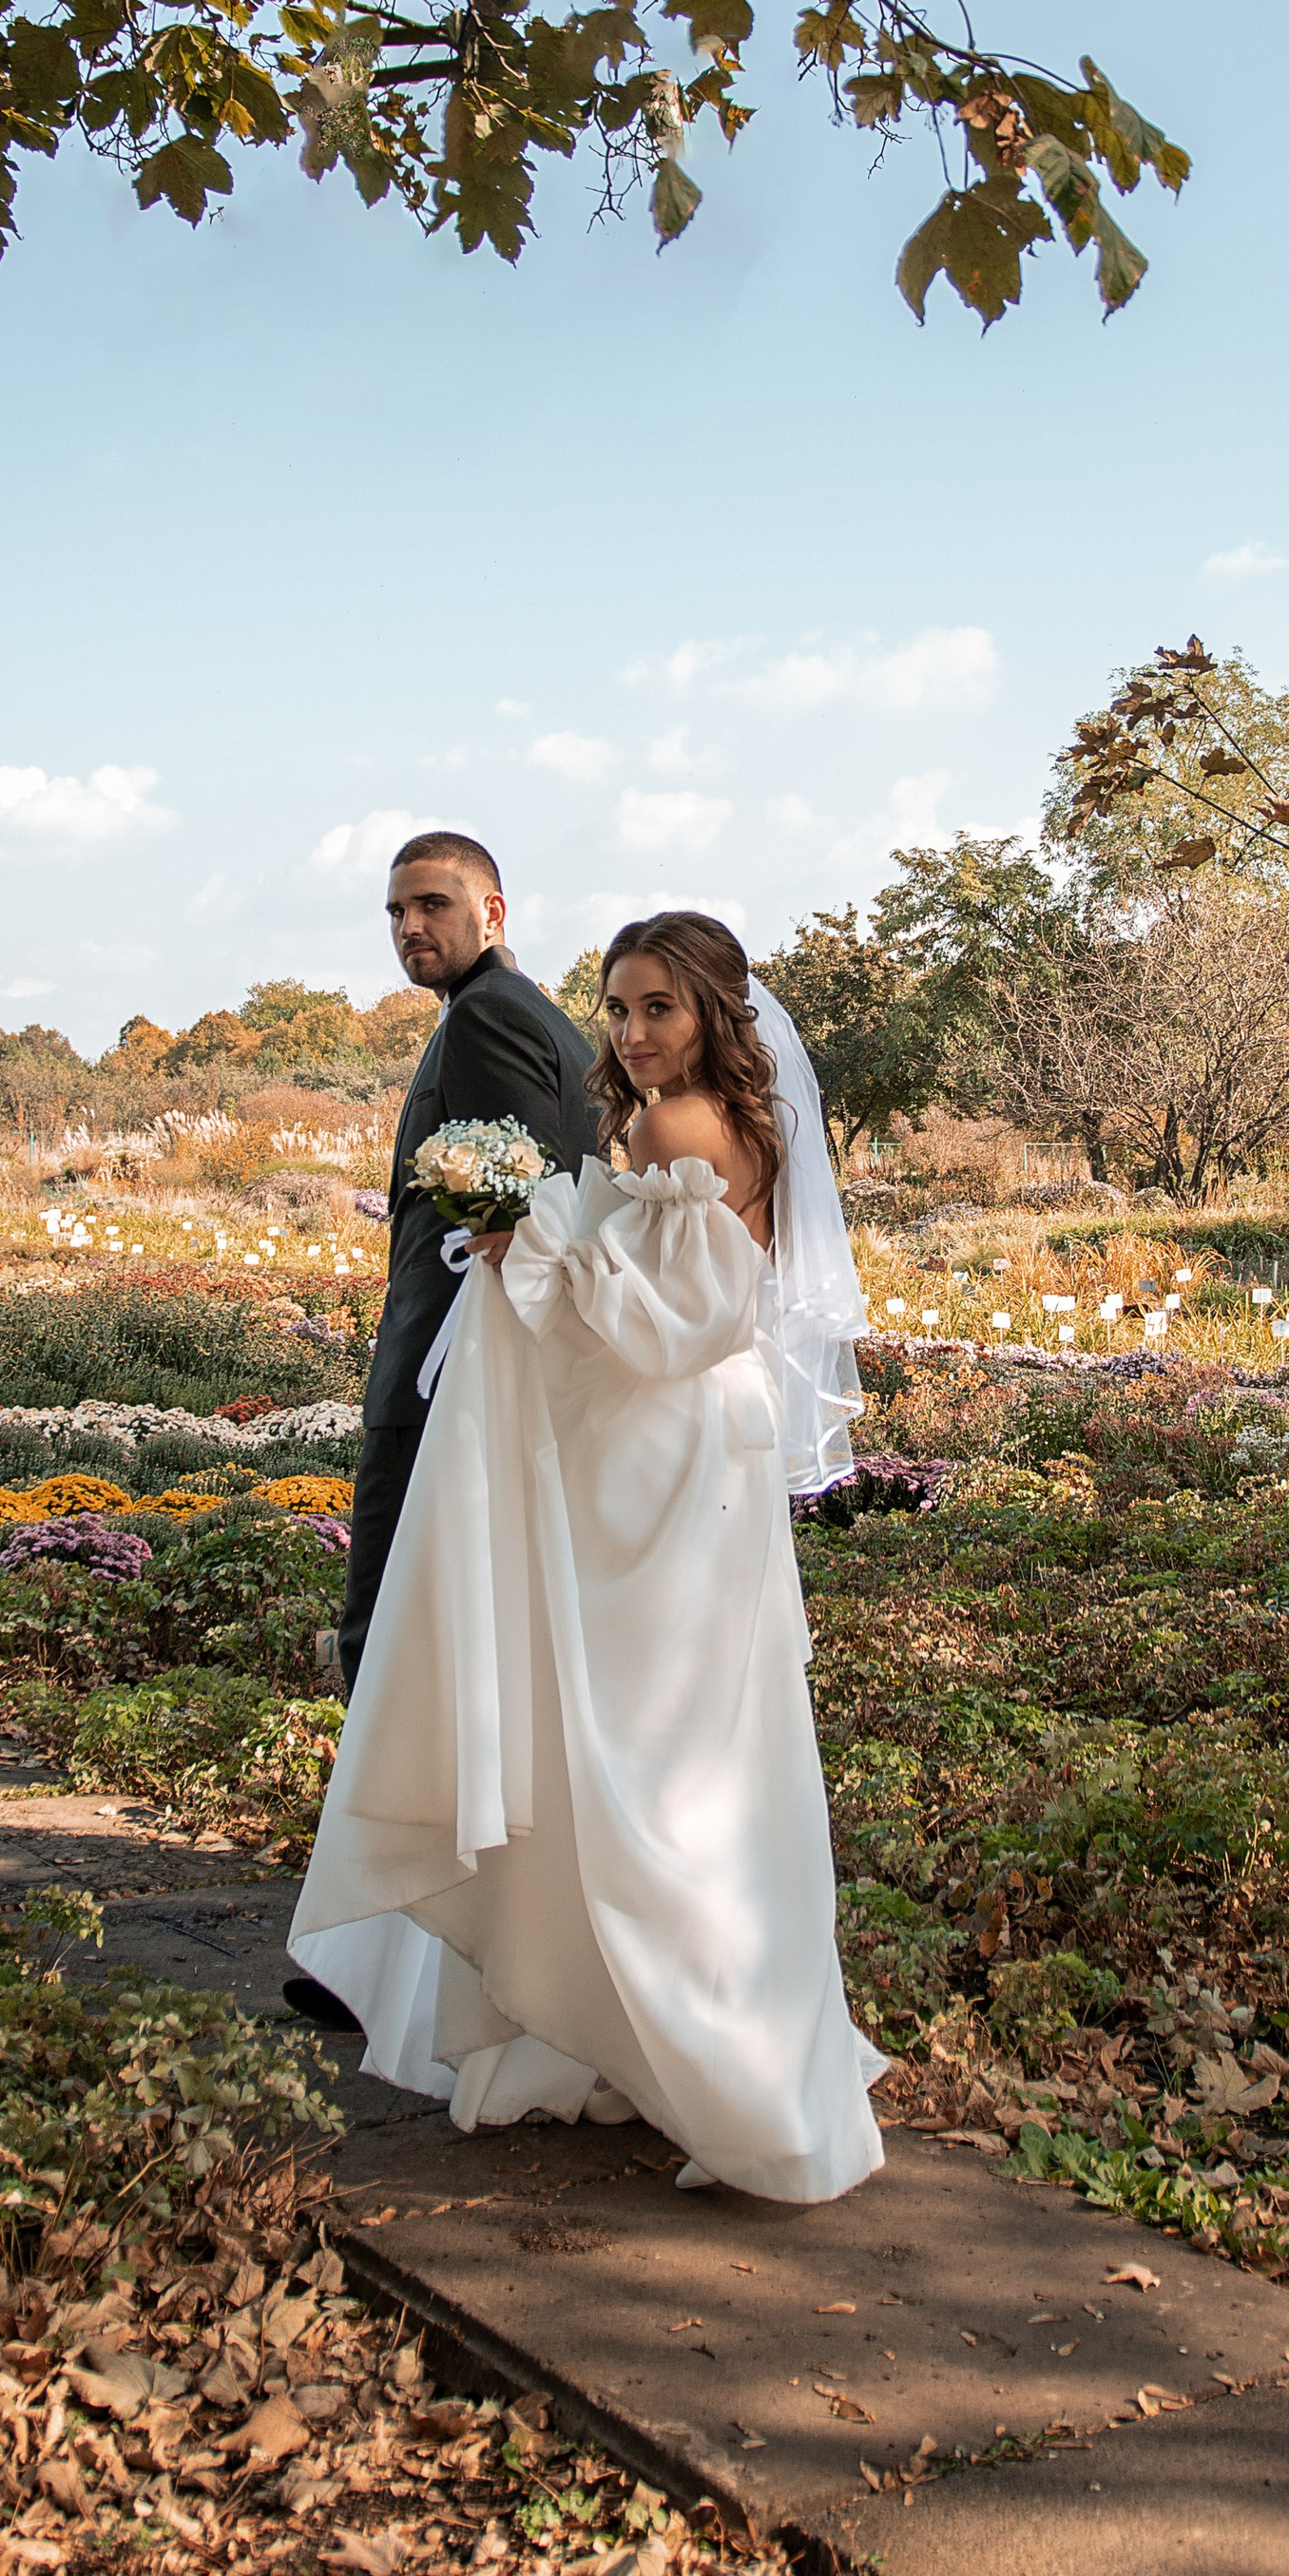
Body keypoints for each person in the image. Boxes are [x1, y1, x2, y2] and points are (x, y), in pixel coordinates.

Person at [284, 909, 884, 2204]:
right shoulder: (723, 1123)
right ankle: (663, 2039)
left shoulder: (679, 1128)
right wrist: (538, 1237)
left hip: (661, 1467)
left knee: (641, 1763)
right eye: (617, 1008)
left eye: (659, 1006)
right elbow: (666, 1307)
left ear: (717, 1013)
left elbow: (667, 1327)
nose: (632, 1032)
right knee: (695, 1758)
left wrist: (531, 1240)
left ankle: (670, 2041)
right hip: (683, 1462)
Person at [337, 832, 601, 1691]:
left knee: (392, 1629)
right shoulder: (513, 1008)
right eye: (396, 911)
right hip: (459, 1364)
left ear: (491, 911)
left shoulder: (491, 1013)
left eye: (431, 905)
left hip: (449, 1366)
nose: (409, 925)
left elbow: (529, 1200)